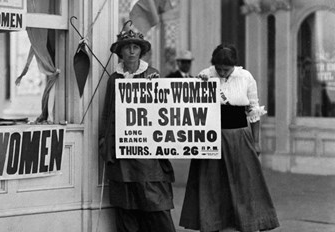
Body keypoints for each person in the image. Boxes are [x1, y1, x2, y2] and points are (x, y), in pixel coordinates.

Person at [179, 44, 279, 232]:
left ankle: (247, 222)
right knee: (211, 183)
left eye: (226, 69)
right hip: (211, 137)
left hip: (239, 136)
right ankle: (212, 223)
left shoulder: (246, 77)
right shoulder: (205, 75)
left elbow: (253, 110)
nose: (222, 72)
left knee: (243, 181)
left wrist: (256, 141)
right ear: (213, 64)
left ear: (234, 65)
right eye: (219, 68)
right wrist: (198, 86)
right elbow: (190, 106)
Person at [99, 21, 177, 232]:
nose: (131, 51)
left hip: (148, 153)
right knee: (126, 207)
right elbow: (108, 113)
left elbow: (166, 112)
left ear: (141, 51)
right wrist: (104, 141)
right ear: (121, 52)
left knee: (155, 205)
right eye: (127, 47)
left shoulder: (152, 74)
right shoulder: (114, 79)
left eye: (135, 47)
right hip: (122, 153)